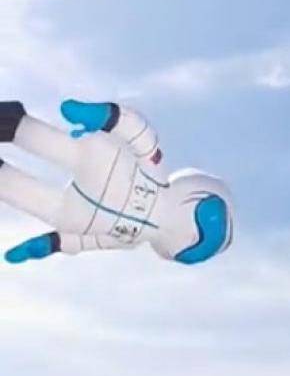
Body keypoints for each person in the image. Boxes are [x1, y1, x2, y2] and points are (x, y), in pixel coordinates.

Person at [0, 99, 234, 265]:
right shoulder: (155, 175)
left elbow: (90, 243)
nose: (194, 240)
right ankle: (13, 124)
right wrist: (107, 117)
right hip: (103, 167)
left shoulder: (131, 240)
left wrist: (52, 244)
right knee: (67, 150)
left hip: (79, 214)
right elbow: (143, 138)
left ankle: (11, 145)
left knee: (42, 200)